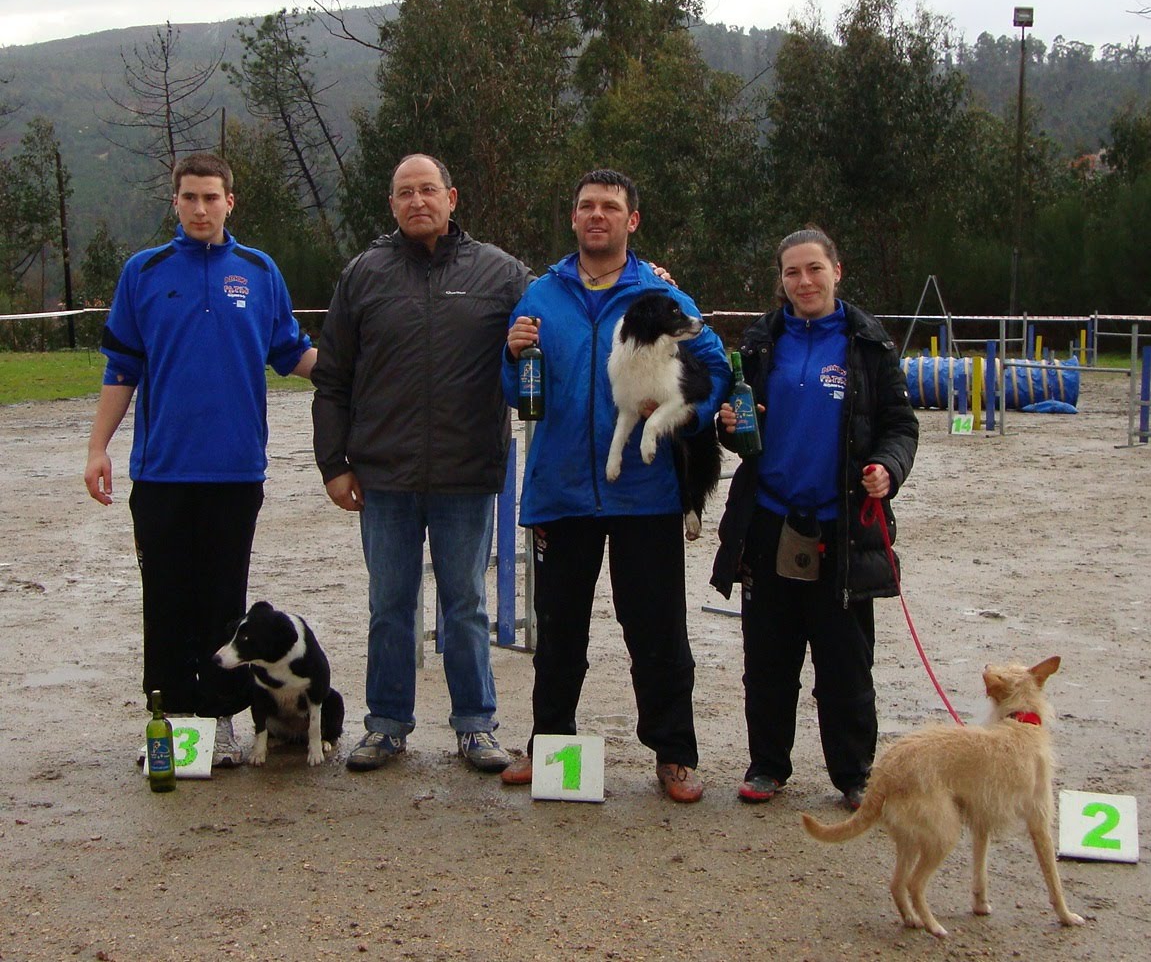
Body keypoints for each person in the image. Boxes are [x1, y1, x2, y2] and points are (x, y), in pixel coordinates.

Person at [500, 169, 732, 803]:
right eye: (586, 206)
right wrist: (512, 355)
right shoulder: (540, 295)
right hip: (563, 490)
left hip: (646, 495)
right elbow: (515, 389)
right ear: (573, 218)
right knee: (558, 631)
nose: (596, 215)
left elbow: (716, 368)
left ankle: (674, 754)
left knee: (657, 631)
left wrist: (687, 418)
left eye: (609, 206)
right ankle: (549, 745)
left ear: (632, 220)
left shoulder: (660, 294)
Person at [84, 151, 316, 768]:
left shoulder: (260, 271)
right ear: (176, 202)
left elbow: (293, 354)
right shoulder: (143, 271)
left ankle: (219, 723)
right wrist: (97, 448)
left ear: (229, 202)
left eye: (211, 197)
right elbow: (121, 368)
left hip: (236, 473)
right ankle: (168, 723)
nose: (201, 208)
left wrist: (366, 373)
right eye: (189, 197)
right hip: (161, 473)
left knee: (222, 602)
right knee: (165, 601)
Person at [312, 154, 533, 774]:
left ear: (451, 197)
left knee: (466, 606)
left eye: (427, 190)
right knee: (390, 606)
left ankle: (476, 725)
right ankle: (386, 726)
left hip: (467, 474)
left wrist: (643, 279)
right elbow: (332, 379)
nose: (417, 201)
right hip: (383, 477)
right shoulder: (363, 275)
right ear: (392, 204)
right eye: (404, 192)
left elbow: (565, 309)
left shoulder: (502, 273)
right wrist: (333, 463)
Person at [710, 227, 919, 810]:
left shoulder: (869, 345)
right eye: (792, 273)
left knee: (845, 664)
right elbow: (738, 431)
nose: (803, 282)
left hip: (844, 530)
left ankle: (855, 774)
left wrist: (887, 468)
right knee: (767, 660)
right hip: (769, 522)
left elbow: (900, 426)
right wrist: (729, 427)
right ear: (781, 281)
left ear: (836, 271)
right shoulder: (759, 344)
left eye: (814, 269)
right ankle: (767, 765)